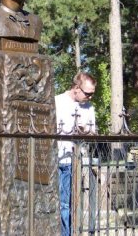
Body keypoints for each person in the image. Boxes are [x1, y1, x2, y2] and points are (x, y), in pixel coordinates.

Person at [55, 72, 97, 236]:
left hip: (73, 161)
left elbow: (93, 134)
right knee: (58, 203)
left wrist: (84, 131)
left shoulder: (88, 107)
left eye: (93, 93)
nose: (90, 97)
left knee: (68, 203)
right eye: (88, 93)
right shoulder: (57, 101)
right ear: (76, 88)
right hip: (55, 158)